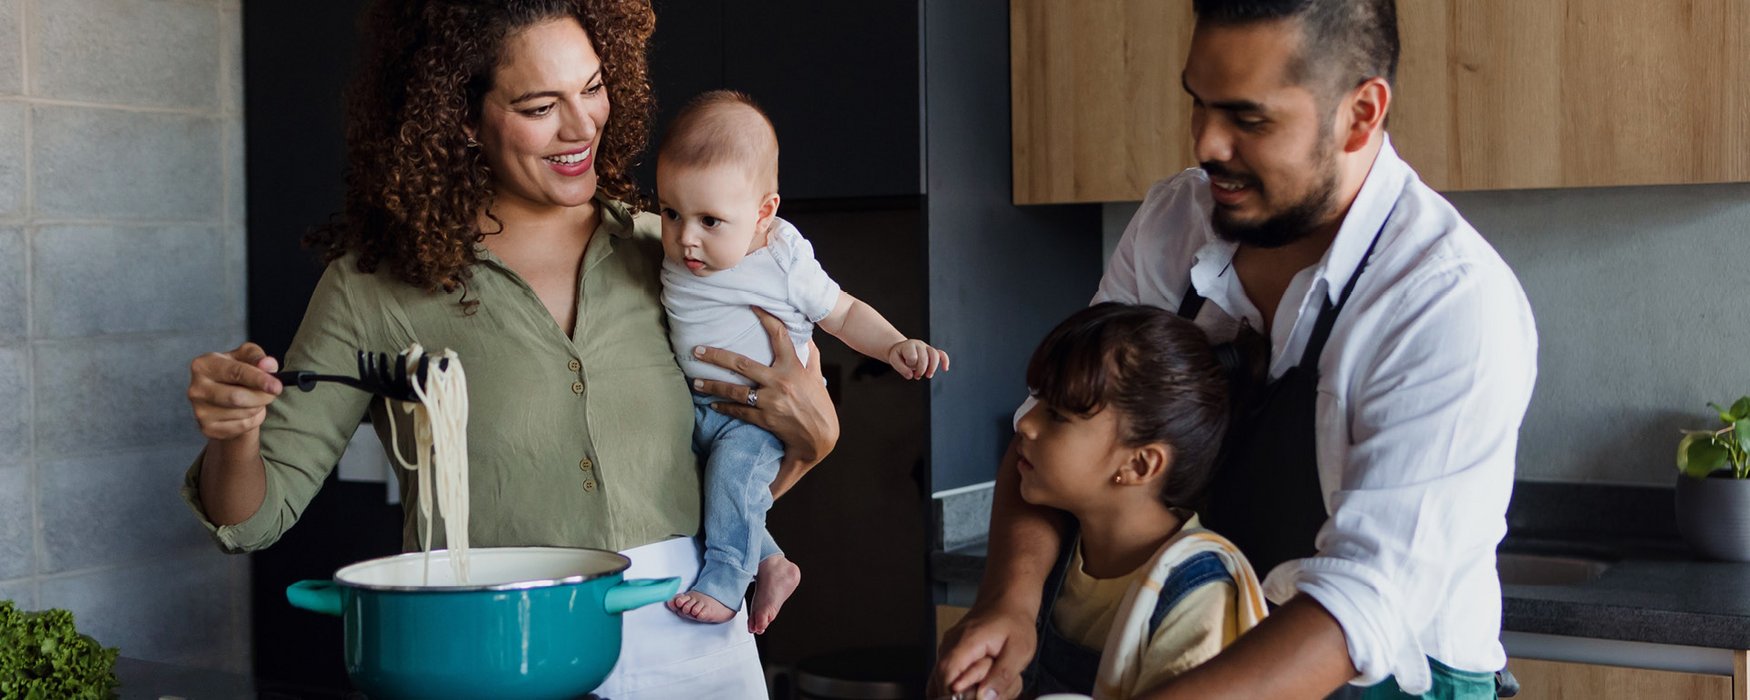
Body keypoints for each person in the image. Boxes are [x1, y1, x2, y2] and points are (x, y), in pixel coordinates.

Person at [180, 1, 838, 696]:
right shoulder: (372, 289)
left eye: (591, 87)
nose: (582, 125)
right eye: (538, 106)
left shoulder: (676, 254)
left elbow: (741, 455)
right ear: (462, 117)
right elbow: (251, 518)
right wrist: (234, 434)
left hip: (691, 640)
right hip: (489, 648)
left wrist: (814, 441)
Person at [933, 1, 1537, 698]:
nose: (1206, 144)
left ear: (1361, 114)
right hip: (1193, 644)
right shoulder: (1172, 223)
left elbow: (1362, 607)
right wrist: (1010, 602)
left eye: (1248, 119)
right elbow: (1057, 413)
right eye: (1199, 103)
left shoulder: (1446, 302)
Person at [652, 91, 950, 631]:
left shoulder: (783, 259)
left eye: (710, 221)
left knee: (733, 480)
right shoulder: (673, 247)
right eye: (671, 212)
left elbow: (843, 311)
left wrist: (893, 345)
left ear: (764, 212)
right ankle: (771, 562)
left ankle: (725, 580)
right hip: (696, 407)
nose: (686, 238)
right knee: (713, 494)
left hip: (758, 418)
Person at [998, 303, 1267, 698]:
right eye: (1037, 400)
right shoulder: (1053, 549)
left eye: (1056, 414)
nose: (1025, 422)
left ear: (1140, 464)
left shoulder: (1200, 594)